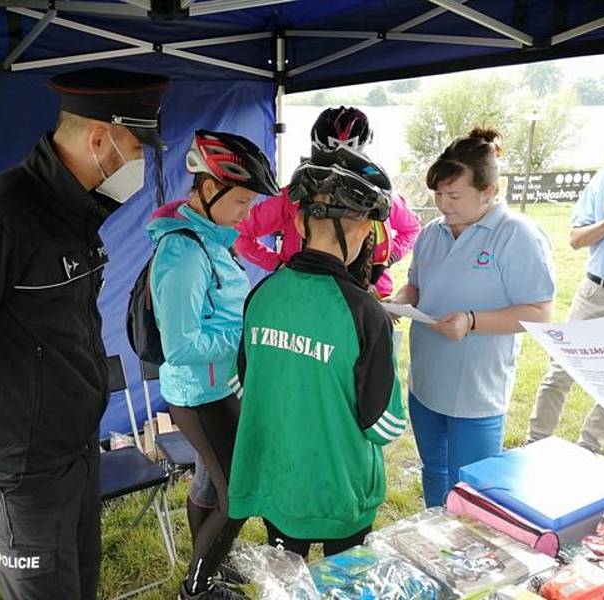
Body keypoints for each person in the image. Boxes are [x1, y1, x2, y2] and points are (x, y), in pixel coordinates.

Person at [0, 67, 169, 600]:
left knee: (77, 584)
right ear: (100, 138)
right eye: (136, 147)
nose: (140, 162)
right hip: (21, 462)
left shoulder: (76, 211)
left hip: (74, 445)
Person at [228, 144, 404, 558]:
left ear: (302, 222)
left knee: (288, 582)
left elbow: (244, 387)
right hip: (340, 496)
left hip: (279, 488)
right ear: (362, 229)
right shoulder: (364, 312)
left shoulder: (262, 295)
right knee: (341, 583)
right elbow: (385, 425)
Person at [391, 128, 555, 508]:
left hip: (476, 391)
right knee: (434, 470)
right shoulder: (433, 232)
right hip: (427, 381)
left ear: (489, 191)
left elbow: (540, 313)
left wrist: (471, 320)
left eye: (454, 195)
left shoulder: (517, 236)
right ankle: (434, 534)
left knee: (473, 486)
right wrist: (399, 301)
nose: (444, 204)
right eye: (438, 195)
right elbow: (416, 284)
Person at [147, 130, 278, 599]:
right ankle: (197, 587)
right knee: (238, 494)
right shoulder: (182, 253)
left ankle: (210, 561)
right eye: (241, 202)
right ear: (208, 189)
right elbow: (180, 345)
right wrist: (247, 336)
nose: (246, 215)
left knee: (210, 481)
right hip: (198, 394)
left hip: (220, 385)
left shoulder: (211, 240)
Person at [527, 122, 604, 452]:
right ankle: (536, 445)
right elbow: (575, 240)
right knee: (560, 372)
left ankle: (588, 449)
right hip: (596, 294)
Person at [234, 106, 420, 297]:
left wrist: (389, 258)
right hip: (307, 295)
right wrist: (279, 265)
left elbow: (412, 229)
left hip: (368, 296)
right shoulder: (293, 196)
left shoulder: (380, 197)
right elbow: (240, 233)